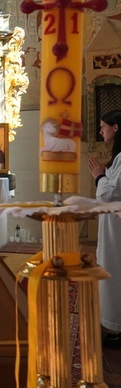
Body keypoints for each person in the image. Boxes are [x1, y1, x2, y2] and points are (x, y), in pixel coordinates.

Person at [88, 109, 121, 349]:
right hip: (113, 224)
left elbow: (110, 194)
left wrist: (99, 176)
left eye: (103, 127)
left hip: (117, 227)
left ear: (116, 127)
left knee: (116, 273)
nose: (101, 131)